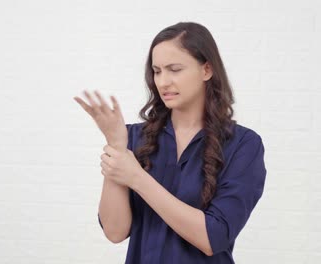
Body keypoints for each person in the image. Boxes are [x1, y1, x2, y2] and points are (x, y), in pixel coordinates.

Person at [73, 21, 266, 264]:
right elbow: (115, 232)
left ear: (206, 70)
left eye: (175, 69)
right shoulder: (134, 138)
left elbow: (213, 237)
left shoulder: (243, 145)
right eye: (157, 71)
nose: (163, 82)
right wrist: (116, 146)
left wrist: (137, 177)